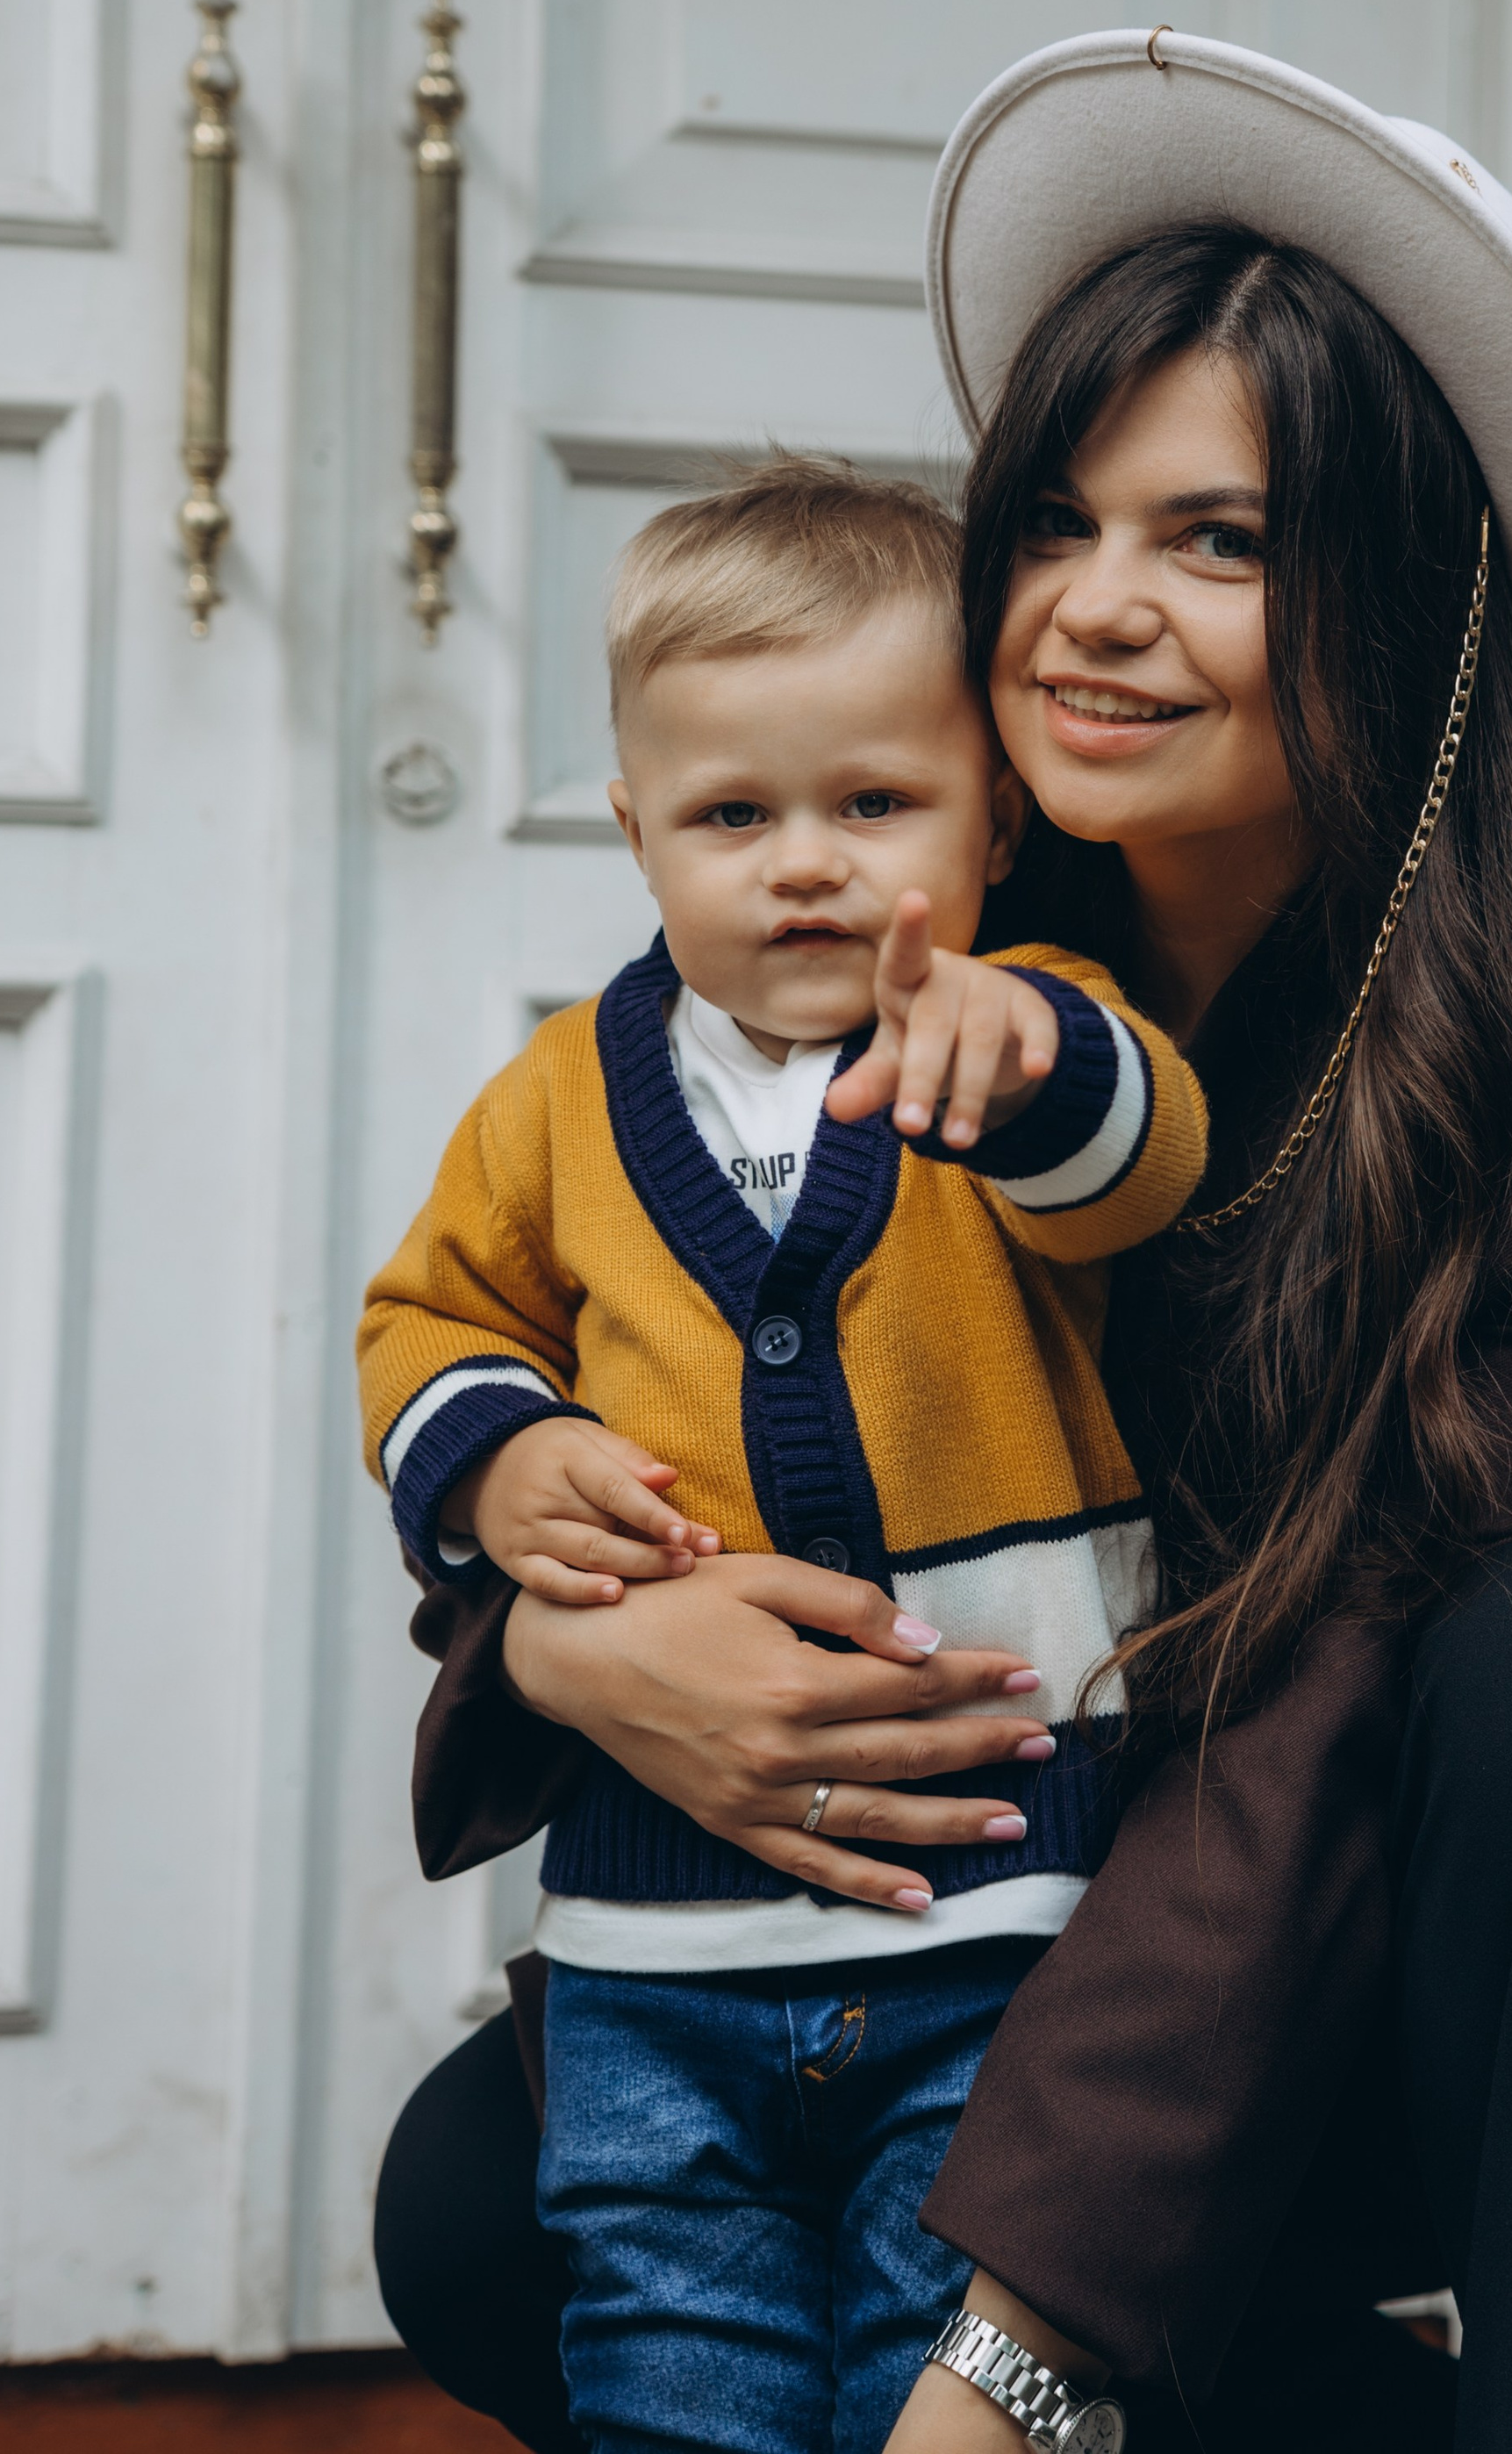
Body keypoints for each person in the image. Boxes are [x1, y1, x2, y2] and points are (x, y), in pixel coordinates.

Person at [374, 36, 1512, 2454]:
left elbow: (1335, 1730)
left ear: (1397, 599)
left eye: (1220, 542)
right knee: (484, 2193)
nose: (1092, 613)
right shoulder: (932, 931)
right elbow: (598, 1320)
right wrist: (567, 1643)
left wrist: (1013, 2361)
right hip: (1069, 1907)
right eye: (1052, 524)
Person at [358, 457, 1205, 2454]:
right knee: (667, 2333)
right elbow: (427, 1324)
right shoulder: (559, 1098)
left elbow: (1135, 1157)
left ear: (994, 817)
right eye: (736, 816)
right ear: (635, 828)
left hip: (1004, 1901)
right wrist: (493, 1466)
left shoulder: (1025, 1026)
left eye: (876, 807)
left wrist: (1018, 1059)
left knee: (951, 2340)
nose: (808, 864)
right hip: (661, 1922)